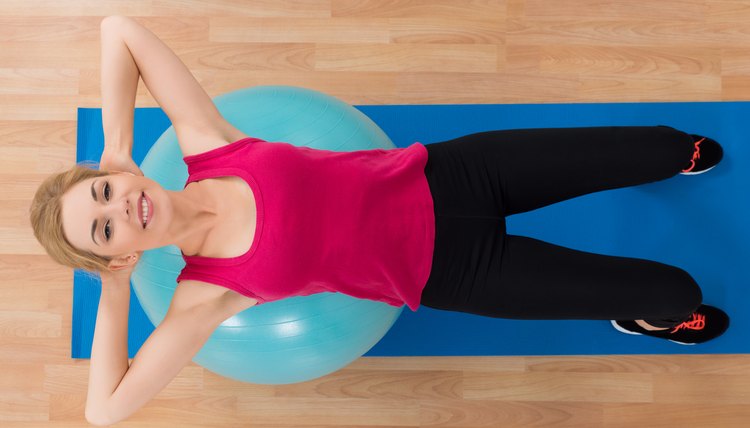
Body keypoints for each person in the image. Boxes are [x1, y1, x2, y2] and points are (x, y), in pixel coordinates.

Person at [29, 15, 729, 426]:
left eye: (102, 194)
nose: (118, 206)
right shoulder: (201, 297)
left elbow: (117, 27)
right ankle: (650, 317)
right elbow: (105, 411)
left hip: (454, 173)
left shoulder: (206, 143)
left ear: (117, 177)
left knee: (664, 146)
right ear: (121, 254)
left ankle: (672, 158)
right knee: (676, 294)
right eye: (105, 230)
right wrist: (114, 284)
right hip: (457, 274)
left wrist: (115, 150)